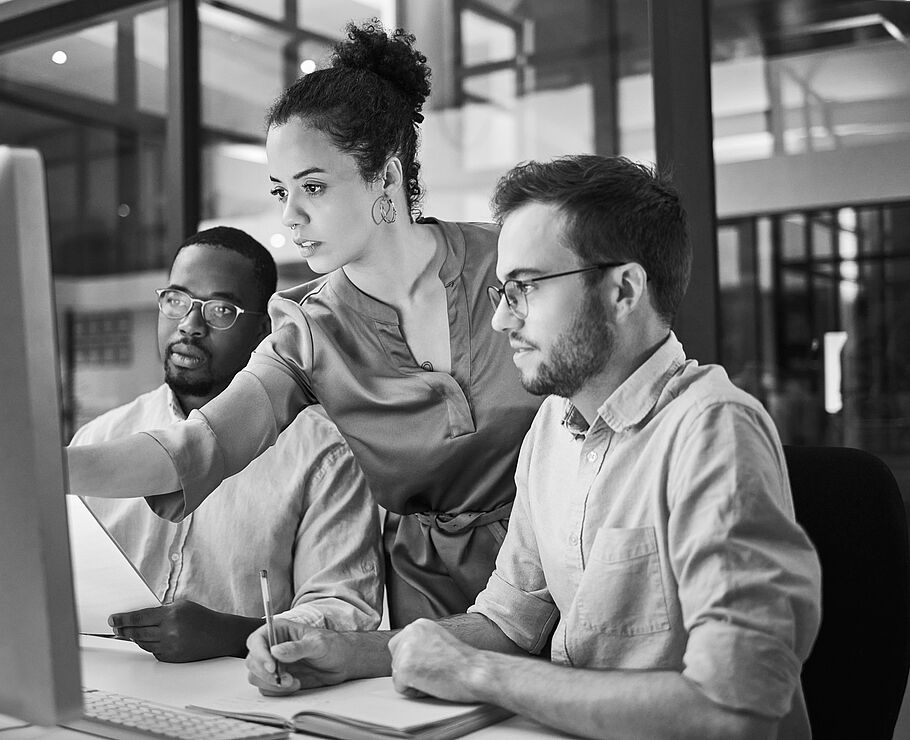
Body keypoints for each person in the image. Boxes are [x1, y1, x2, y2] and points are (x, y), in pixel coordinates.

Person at [244, 155, 823, 739]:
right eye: (501, 290)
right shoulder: (553, 425)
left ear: (623, 290)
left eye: (524, 288)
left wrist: (476, 673)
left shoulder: (713, 432)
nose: (499, 320)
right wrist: (350, 652)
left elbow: (736, 711)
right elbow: (508, 621)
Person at [66, 20, 542, 626]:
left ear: (387, 175)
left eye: (312, 187)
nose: (290, 217)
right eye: (279, 191)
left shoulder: (511, 263)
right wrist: (46, 464)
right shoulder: (307, 329)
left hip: (562, 561)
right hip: (429, 607)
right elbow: (195, 448)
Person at [71, 226, 382, 662]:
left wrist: (233, 635)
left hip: (244, 691)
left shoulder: (324, 453)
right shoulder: (99, 438)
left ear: (264, 331)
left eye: (220, 310)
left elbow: (345, 611)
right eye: (177, 300)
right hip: (102, 674)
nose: (190, 325)